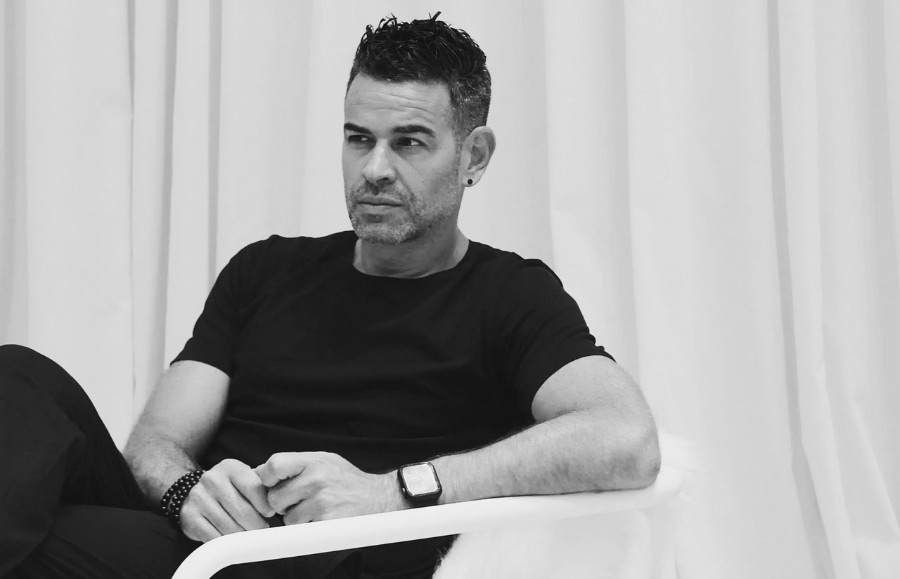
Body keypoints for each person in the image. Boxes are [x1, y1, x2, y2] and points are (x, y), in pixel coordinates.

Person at [0, 14, 660, 579]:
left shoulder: (510, 294)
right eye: (358, 138)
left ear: (475, 156)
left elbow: (626, 439)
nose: (374, 169)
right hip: (200, 544)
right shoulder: (265, 269)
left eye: (409, 143)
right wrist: (186, 490)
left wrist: (389, 492)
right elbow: (154, 441)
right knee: (18, 376)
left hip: (334, 559)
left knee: (48, 539)